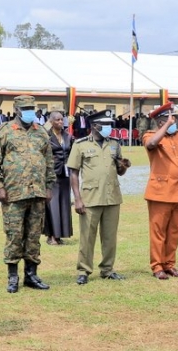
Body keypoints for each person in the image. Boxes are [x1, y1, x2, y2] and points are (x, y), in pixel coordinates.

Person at [0, 95, 55, 293]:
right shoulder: (5, 131)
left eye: (31, 108)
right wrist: (0, 186)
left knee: (33, 235)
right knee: (14, 234)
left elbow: (49, 161)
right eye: (25, 108)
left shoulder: (40, 132)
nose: (29, 111)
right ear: (16, 109)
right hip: (13, 193)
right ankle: (12, 276)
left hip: (37, 193)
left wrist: (49, 186)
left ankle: (31, 275)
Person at [67, 109, 129, 284]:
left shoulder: (115, 144)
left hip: (112, 197)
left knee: (110, 237)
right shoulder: (80, 145)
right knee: (87, 237)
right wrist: (77, 199)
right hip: (90, 198)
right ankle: (84, 270)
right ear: (94, 125)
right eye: (106, 124)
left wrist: (123, 166)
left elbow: (120, 171)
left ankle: (107, 269)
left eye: (110, 124)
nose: (109, 128)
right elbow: (73, 173)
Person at [142, 103, 178, 279]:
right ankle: (157, 266)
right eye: (170, 119)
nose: (174, 122)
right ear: (160, 122)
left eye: (174, 119)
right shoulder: (150, 135)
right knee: (158, 231)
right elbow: (152, 145)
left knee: (174, 230)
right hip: (160, 192)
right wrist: (166, 126)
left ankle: (170, 264)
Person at [44, 111, 73, 246]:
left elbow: (72, 153)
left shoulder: (68, 136)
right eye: (57, 120)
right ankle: (52, 236)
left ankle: (61, 234)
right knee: (52, 205)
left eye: (62, 119)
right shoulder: (46, 136)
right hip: (51, 174)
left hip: (66, 175)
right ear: (51, 121)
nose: (60, 122)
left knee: (64, 204)